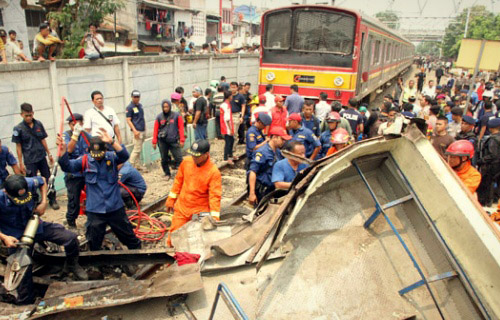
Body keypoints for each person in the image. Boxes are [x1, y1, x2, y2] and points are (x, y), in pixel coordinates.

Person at [0, 175, 87, 304]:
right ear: (6, 192)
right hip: (15, 236)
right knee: (21, 270)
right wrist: (5, 237)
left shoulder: (29, 183)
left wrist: (44, 202)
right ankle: (26, 300)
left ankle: (72, 265)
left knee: (70, 238)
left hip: (35, 225)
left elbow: (43, 181)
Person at [58, 129, 142, 251]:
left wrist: (112, 142)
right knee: (94, 241)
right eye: (95, 155)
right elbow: (67, 166)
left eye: (101, 154)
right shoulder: (84, 161)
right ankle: (98, 265)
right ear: (89, 151)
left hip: (114, 207)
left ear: (105, 150)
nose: (98, 158)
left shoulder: (111, 158)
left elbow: (124, 155)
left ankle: (139, 255)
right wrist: (63, 151)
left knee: (128, 236)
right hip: (95, 210)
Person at [165, 140, 222, 246]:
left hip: (201, 211)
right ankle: (171, 260)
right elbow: (178, 181)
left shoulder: (213, 172)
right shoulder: (186, 162)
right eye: (192, 155)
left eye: (197, 156)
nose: (194, 158)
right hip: (183, 208)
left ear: (206, 155)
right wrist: (171, 199)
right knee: (173, 238)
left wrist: (214, 219)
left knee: (201, 240)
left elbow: (215, 197)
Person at [12, 103, 59, 210]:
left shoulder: (38, 124)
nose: (28, 118)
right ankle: (35, 202)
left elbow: (43, 139)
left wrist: (49, 153)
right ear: (21, 115)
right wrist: (21, 163)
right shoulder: (18, 129)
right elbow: (18, 147)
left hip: (41, 157)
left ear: (33, 113)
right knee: (32, 182)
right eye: (26, 116)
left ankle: (52, 199)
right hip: (29, 160)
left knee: (48, 179)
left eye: (30, 115)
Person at [248, 127, 290, 205]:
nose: (284, 142)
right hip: (263, 190)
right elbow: (253, 172)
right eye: (282, 139)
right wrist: (252, 193)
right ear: (274, 137)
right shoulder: (262, 152)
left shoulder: (277, 151)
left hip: (271, 189)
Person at [63, 113, 91, 228]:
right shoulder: (67, 135)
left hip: (87, 172)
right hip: (73, 174)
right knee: (74, 198)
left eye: (78, 124)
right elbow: (68, 150)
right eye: (73, 124)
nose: (75, 126)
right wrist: (75, 135)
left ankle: (91, 218)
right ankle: (71, 221)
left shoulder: (85, 135)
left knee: (92, 195)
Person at [152, 99, 185, 180]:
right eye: (164, 107)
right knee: (164, 158)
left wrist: (182, 139)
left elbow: (181, 128)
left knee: (179, 158)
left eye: (167, 107)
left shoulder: (176, 115)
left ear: (170, 106)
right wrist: (154, 141)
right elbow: (155, 129)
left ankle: (184, 174)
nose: (165, 108)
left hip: (173, 140)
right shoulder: (159, 117)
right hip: (162, 141)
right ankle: (167, 173)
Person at [477, 118, 500, 206]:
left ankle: (487, 202)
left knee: (487, 184)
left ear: (490, 128)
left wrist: (481, 160)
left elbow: (493, 154)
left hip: (491, 166)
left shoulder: (493, 140)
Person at [125, 90, 145, 169]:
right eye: (135, 97)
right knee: (136, 149)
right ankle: (130, 167)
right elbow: (128, 120)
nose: (136, 98)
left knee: (139, 149)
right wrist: (135, 131)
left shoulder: (140, 105)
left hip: (142, 129)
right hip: (137, 131)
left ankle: (138, 165)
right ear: (132, 97)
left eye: (138, 97)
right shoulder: (130, 107)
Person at [220, 90, 236, 164]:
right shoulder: (226, 105)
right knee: (229, 142)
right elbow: (227, 118)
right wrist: (230, 129)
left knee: (231, 141)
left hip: (225, 126)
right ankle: (227, 157)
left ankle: (229, 155)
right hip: (227, 127)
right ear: (229, 96)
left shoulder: (224, 105)